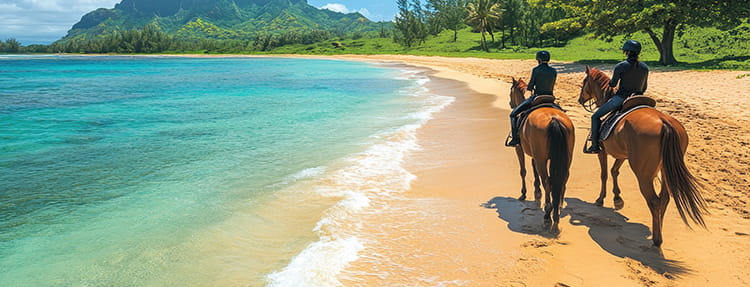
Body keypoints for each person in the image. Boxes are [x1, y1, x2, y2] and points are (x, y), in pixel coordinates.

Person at [583, 39, 649, 153]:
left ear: (626, 52)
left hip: (622, 98)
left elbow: (613, 84)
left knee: (595, 117)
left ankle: (594, 146)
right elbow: (644, 88)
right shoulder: (644, 67)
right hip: (639, 98)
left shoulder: (621, 66)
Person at [506, 50, 557, 147]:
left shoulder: (536, 70)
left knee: (513, 114)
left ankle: (515, 139)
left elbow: (530, 86)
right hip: (550, 97)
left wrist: (529, 87)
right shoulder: (553, 71)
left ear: (538, 59)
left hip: (537, 96)